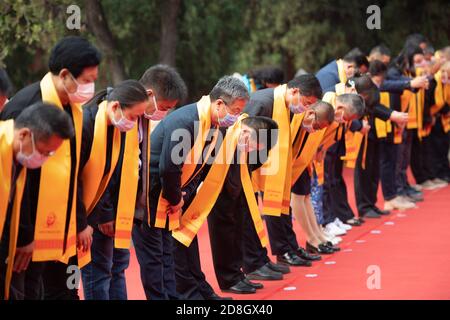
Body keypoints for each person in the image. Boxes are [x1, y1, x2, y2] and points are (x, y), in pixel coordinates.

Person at [0, 36, 102, 299]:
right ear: (65, 75)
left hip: (60, 228)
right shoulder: (26, 106)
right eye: (87, 80)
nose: (91, 87)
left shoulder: (73, 109)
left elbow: (72, 171)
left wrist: (79, 222)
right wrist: (23, 235)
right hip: (25, 234)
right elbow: (14, 181)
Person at [132, 76, 248, 300]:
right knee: (155, 261)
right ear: (219, 104)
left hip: (171, 195)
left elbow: (198, 169)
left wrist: (183, 197)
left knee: (167, 256)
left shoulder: (211, 125)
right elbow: (168, 167)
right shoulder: (187, 121)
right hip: (150, 196)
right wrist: (176, 199)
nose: (236, 117)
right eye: (235, 110)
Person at [241, 74, 323, 282]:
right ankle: (253, 263)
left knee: (275, 210)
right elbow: (243, 134)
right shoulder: (263, 102)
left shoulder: (285, 104)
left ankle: (268, 257)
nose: (305, 110)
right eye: (305, 103)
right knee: (249, 218)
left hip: (267, 167)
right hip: (247, 169)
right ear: (295, 91)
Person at [77, 80, 150, 300]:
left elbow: (117, 173)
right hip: (89, 214)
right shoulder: (87, 124)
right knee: (98, 274)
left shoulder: (118, 126)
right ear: (116, 106)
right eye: (134, 116)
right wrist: (101, 215)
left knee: (115, 267)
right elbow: (82, 178)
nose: (135, 122)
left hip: (109, 211)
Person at [0, 102, 75, 300]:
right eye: (44, 152)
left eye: (50, 154)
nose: (44, 159)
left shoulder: (17, 157)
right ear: (24, 134)